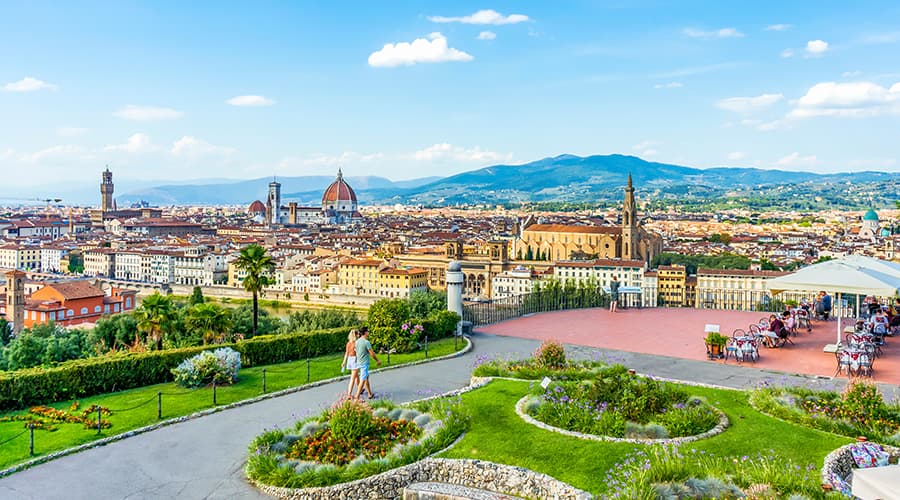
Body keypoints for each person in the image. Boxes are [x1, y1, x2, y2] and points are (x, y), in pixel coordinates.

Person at [354, 326, 381, 400]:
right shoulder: (366, 342)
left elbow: (356, 352)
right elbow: (372, 353)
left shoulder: (357, 341)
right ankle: (357, 398)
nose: (368, 332)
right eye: (368, 331)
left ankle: (369, 394)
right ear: (365, 332)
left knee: (366, 378)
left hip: (359, 362)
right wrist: (377, 360)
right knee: (362, 380)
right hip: (364, 364)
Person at [340, 329, 360, 398]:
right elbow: (358, 353)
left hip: (350, 360)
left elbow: (346, 353)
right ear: (356, 335)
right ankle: (349, 394)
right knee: (353, 377)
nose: (359, 335)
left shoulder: (348, 343)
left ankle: (360, 388)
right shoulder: (357, 343)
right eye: (358, 334)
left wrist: (344, 362)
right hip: (355, 360)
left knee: (356, 375)